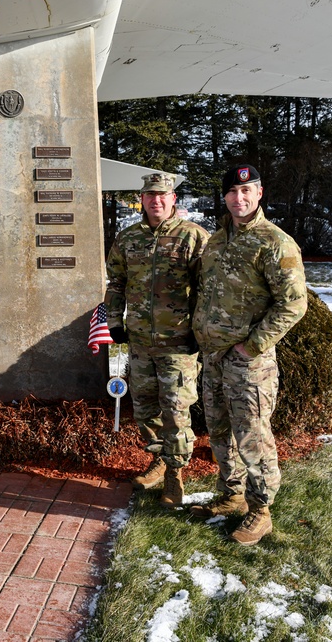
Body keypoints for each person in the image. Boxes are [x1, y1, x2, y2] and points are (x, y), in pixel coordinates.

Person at [191, 164, 307, 545]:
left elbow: (293, 304)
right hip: (213, 358)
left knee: (252, 436)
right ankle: (232, 495)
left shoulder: (275, 242)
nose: (238, 198)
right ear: (224, 197)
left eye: (247, 191)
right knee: (220, 431)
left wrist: (251, 345)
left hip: (248, 362)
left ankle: (260, 511)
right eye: (232, 192)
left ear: (259, 194)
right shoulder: (217, 239)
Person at [105, 172, 209, 508]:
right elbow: (116, 282)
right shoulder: (128, 238)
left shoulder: (194, 237)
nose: (157, 201)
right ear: (142, 199)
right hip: (139, 342)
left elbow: (208, 291)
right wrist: (113, 322)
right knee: (146, 409)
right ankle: (159, 459)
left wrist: (200, 331)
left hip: (179, 343)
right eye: (150, 196)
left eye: (163, 195)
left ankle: (175, 477)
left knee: (176, 411)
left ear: (173, 198)